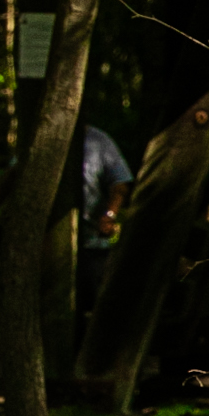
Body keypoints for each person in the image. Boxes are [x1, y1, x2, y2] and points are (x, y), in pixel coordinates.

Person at [74, 121, 132, 316]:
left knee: (92, 308)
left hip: (92, 244)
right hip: (48, 245)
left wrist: (110, 215)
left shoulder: (99, 141)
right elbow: (13, 174)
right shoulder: (46, 135)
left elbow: (121, 182)